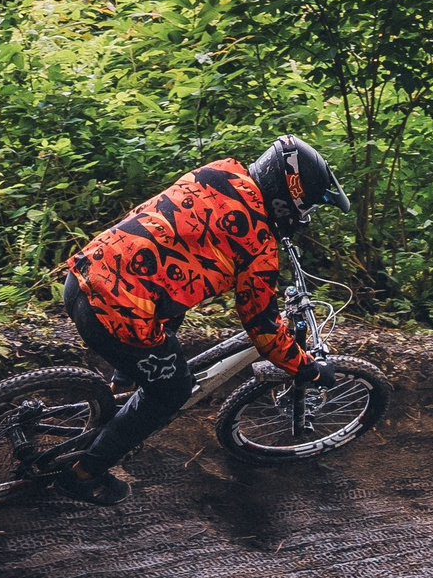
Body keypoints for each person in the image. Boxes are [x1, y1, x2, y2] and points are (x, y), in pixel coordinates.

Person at [51, 136, 352, 504]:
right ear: (289, 194)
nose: (304, 217)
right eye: (306, 207)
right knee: (172, 391)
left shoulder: (218, 172)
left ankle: (119, 388)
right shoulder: (258, 244)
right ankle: (83, 476)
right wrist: (309, 370)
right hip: (115, 313)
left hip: (84, 272)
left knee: (169, 302)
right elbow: (263, 329)